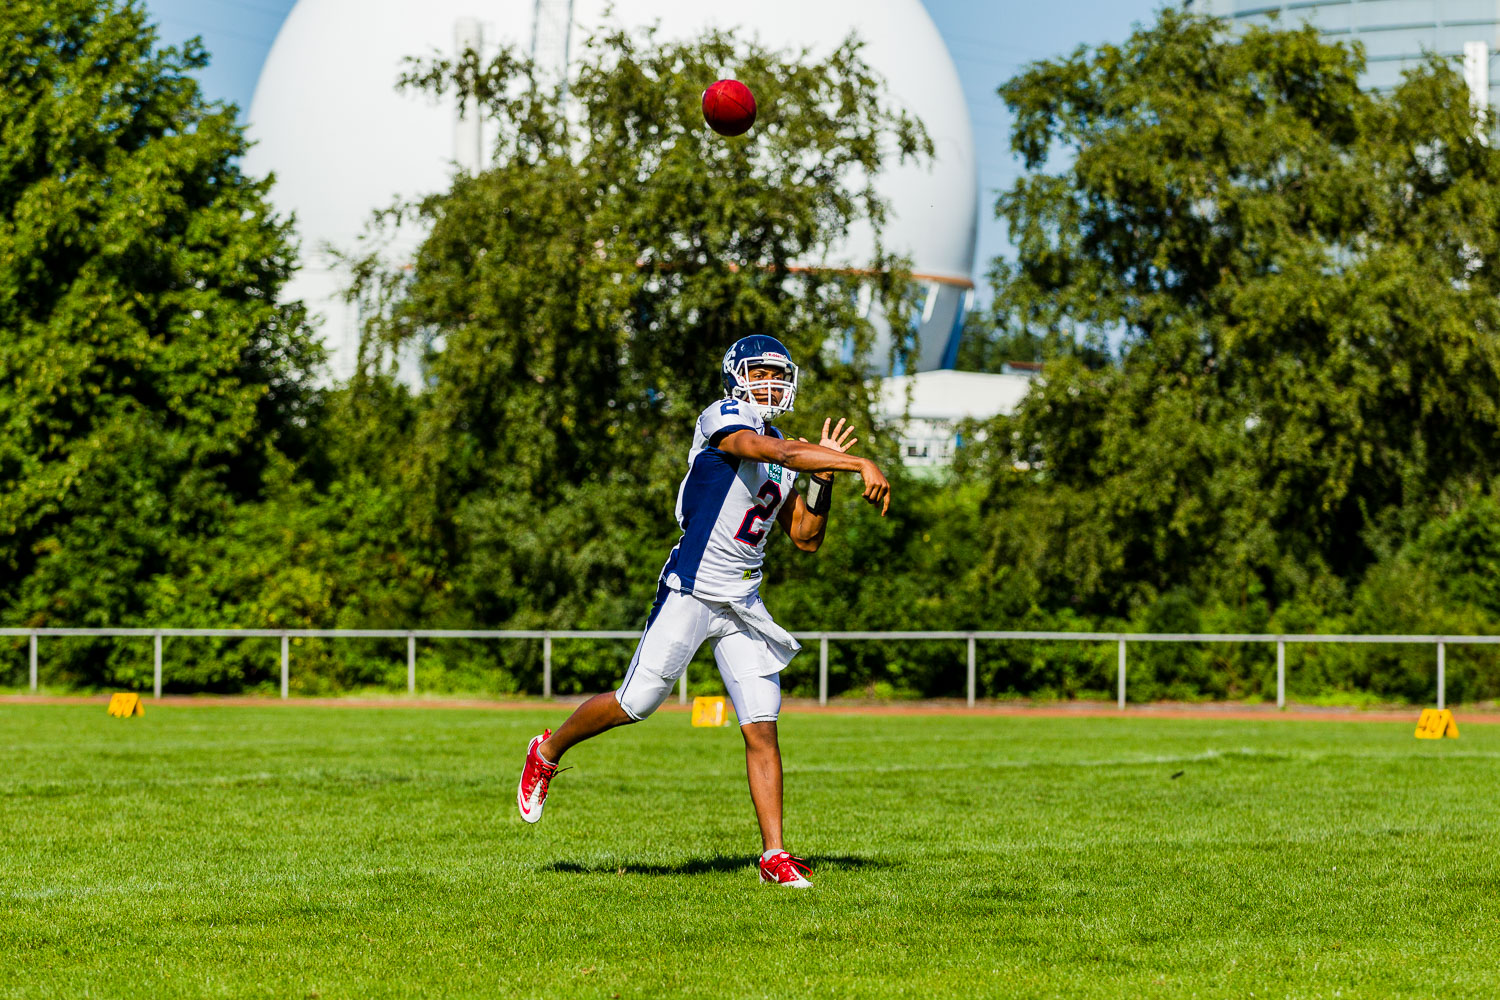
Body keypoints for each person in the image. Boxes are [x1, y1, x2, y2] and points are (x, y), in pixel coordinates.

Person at [515, 334, 892, 889]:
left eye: (779, 375)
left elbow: (806, 538)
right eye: (760, 373)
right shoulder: (723, 417)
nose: (772, 384)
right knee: (635, 702)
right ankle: (546, 751)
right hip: (692, 588)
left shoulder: (790, 449)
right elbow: (775, 453)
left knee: (762, 724)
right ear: (737, 376)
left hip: (742, 600)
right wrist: (856, 460)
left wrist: (823, 479)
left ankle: (774, 855)